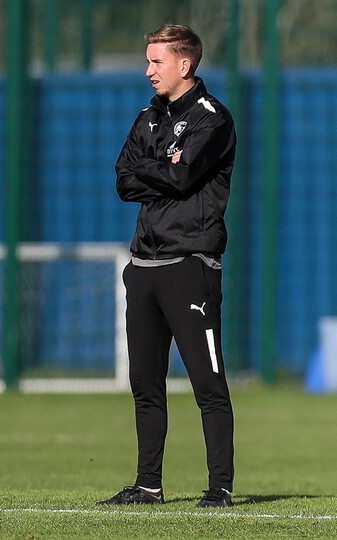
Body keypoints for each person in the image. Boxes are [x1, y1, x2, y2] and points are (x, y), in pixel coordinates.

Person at [98, 24, 237, 509]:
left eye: (156, 62)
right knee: (145, 384)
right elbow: (122, 180)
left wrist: (158, 169)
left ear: (185, 65)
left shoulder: (213, 119)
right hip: (144, 264)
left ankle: (218, 487)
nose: (147, 70)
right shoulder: (147, 118)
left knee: (207, 384)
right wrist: (165, 166)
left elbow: (182, 180)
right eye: (148, 61)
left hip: (189, 264)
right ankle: (148, 484)